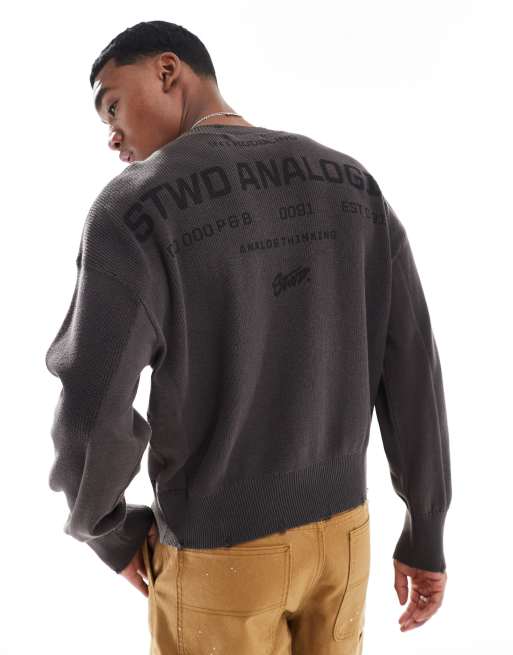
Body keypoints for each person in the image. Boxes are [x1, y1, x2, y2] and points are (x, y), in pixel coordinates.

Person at [45, 20, 452, 654]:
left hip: (219, 555)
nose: (112, 135)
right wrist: (425, 529)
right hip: (345, 541)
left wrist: (110, 531)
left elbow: (89, 411)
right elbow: (411, 370)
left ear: (168, 71)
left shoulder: (133, 209)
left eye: (113, 105)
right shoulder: (351, 183)